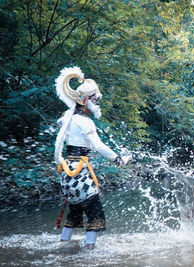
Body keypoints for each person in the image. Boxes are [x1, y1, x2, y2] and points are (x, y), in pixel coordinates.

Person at [54, 66, 131, 249]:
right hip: (80, 174)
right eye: (95, 99)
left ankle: (63, 244)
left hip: (66, 174)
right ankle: (90, 251)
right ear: (86, 100)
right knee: (95, 213)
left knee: (74, 212)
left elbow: (60, 126)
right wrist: (119, 160)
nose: (98, 103)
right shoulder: (86, 122)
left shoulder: (66, 116)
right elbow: (98, 146)